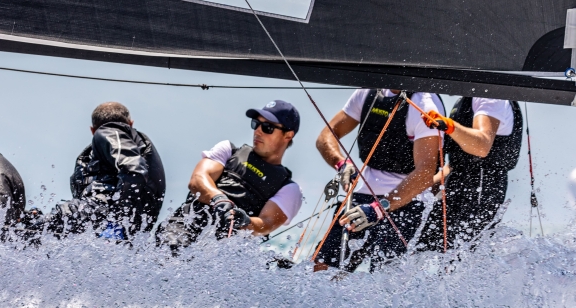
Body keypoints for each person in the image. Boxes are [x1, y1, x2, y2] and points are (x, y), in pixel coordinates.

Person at [313, 89, 445, 272]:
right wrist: (342, 164)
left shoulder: (425, 105)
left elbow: (425, 172)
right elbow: (326, 135)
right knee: (321, 268)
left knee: (383, 279)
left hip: (406, 203)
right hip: (363, 196)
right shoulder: (366, 94)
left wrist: (379, 208)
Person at [156, 100, 303, 251]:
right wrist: (218, 200)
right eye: (255, 124)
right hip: (182, 228)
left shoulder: (289, 189)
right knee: (171, 251)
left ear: (288, 135)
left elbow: (266, 224)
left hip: (223, 250)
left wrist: (245, 222)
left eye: (267, 127)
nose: (258, 131)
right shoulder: (228, 150)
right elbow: (198, 179)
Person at [415, 97, 523, 250]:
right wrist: (414, 192)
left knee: (460, 256)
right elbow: (455, 165)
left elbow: (481, 146)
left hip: (480, 188)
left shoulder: (489, 97)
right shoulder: (470, 98)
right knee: (423, 248)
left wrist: (450, 126)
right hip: (459, 183)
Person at [46, 102, 166, 239]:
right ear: (130, 123)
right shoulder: (137, 145)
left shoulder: (109, 132)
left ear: (93, 130)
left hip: (103, 213)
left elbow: (134, 170)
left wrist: (119, 219)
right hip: (126, 228)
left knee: (33, 228)